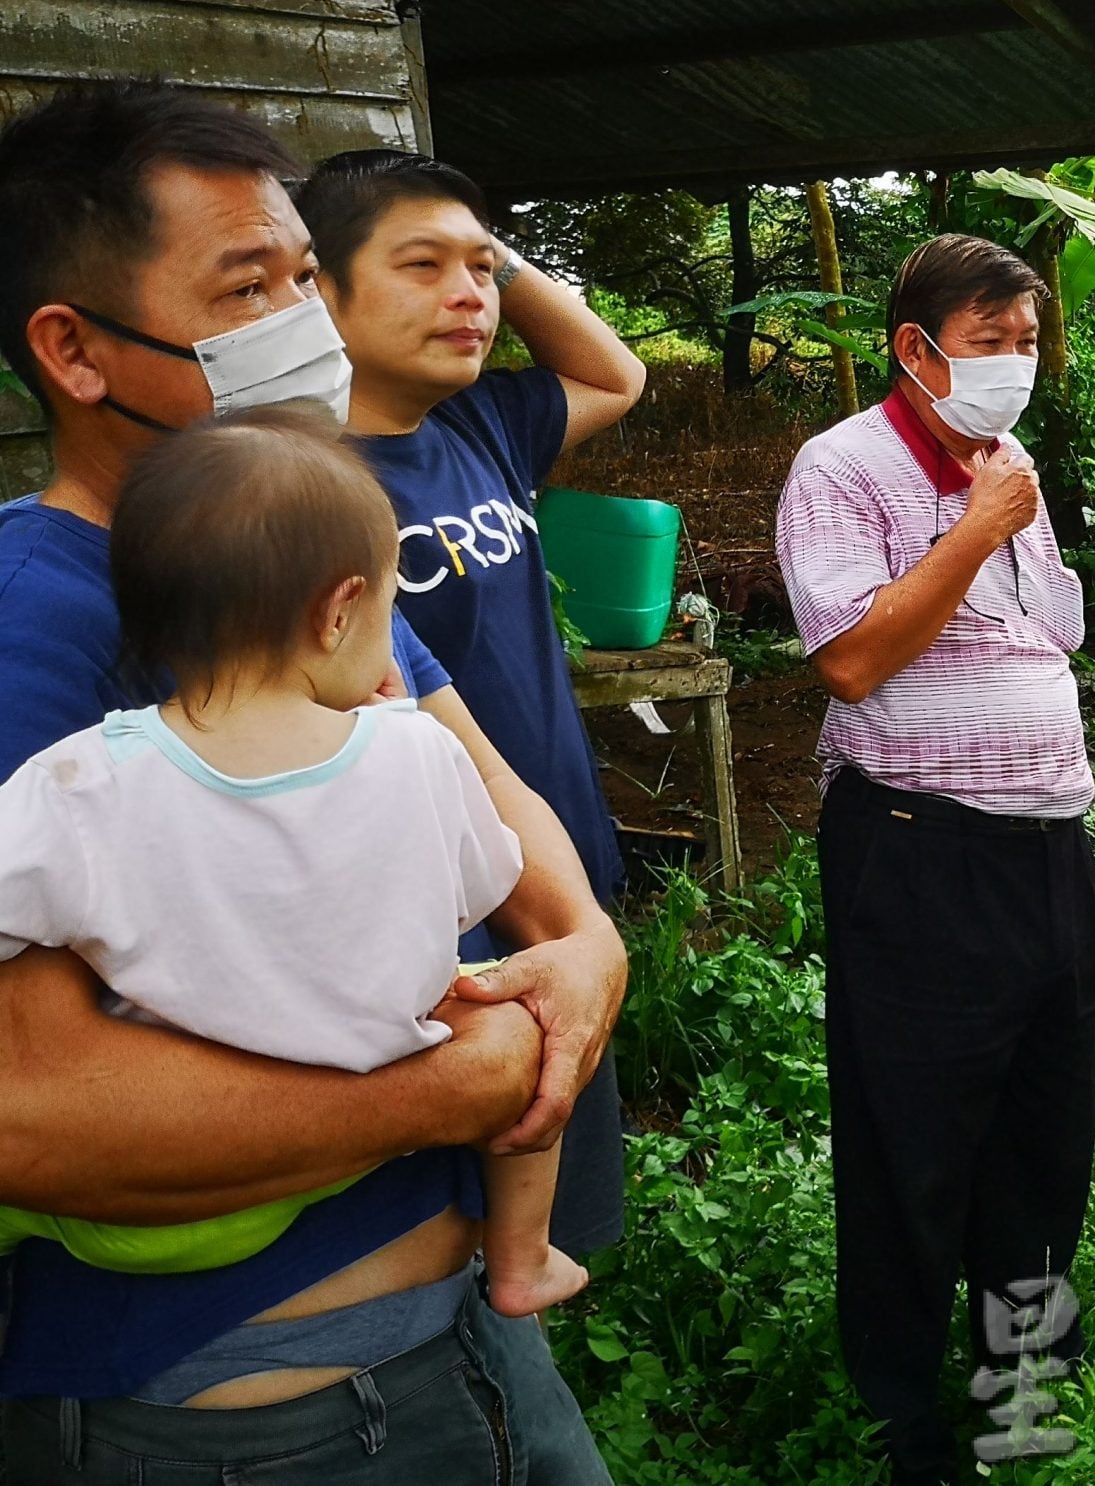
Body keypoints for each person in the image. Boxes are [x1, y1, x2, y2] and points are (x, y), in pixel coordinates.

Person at [0, 82, 619, 1482]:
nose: (307, 325)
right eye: (250, 287)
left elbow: (501, 809)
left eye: (302, 275)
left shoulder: (285, 556)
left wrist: (586, 948)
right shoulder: (27, 624)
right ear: (75, 351)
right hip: (247, 1410)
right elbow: (24, 1101)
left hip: (461, 1340)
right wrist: (470, 1076)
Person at [0, 406, 588, 1321]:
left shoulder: (79, 780)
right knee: (518, 1015)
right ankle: (525, 1256)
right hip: (371, 1143)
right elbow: (483, 881)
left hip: (167, 1208)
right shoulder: (418, 753)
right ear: (338, 610)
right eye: (389, 607)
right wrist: (392, 726)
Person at [775, 233, 1095, 1486]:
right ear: (914, 349)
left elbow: (1047, 625)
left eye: (1025, 344)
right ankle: (905, 1429)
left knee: (1042, 1132)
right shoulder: (842, 468)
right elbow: (849, 659)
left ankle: (1025, 1382)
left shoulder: (1007, 462)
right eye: (989, 343)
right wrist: (973, 527)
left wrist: (997, 512)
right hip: (915, 848)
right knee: (910, 1140)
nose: (1014, 366)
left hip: (1044, 850)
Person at [294, 148, 648, 1260]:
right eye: (422, 266)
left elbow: (616, 376)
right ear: (322, 293)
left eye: (481, 268)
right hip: (438, 911)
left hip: (556, 868)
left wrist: (499, 255)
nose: (471, 294)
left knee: (558, 1208)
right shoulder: (290, 481)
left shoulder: (477, 426)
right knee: (449, 1227)